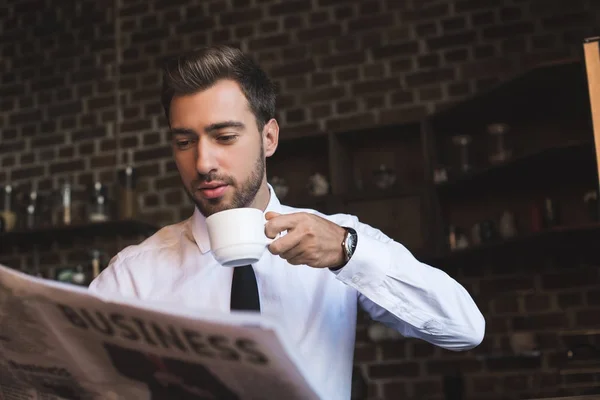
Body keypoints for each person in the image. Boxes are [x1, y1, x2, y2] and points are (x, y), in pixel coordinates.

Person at [89, 45, 485, 400]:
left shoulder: (339, 238)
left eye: (224, 136)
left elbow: (464, 329)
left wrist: (348, 252)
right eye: (184, 142)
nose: (203, 162)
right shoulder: (135, 274)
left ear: (269, 138)